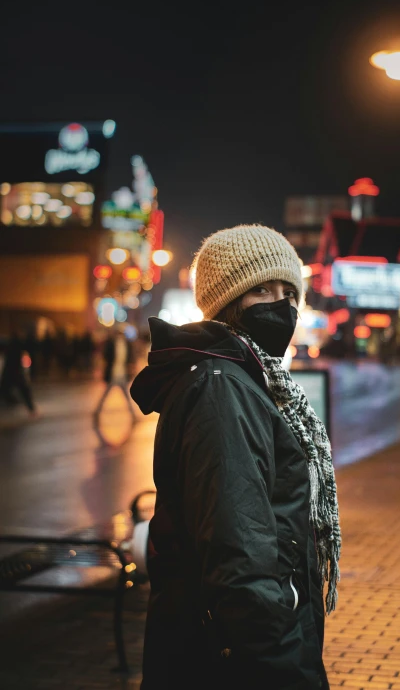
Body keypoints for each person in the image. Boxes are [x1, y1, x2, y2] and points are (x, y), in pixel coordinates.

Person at [130, 224, 341, 689]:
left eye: (290, 293)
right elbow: (240, 561)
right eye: (261, 289)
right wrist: (292, 673)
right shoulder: (223, 386)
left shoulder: (247, 380)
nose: (280, 305)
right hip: (230, 663)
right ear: (227, 300)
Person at [93, 327, 136, 421]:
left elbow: (130, 358)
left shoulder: (127, 345)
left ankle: (133, 415)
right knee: (105, 395)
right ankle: (97, 412)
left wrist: (131, 368)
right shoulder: (110, 344)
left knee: (126, 396)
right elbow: (105, 357)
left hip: (122, 375)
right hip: (112, 374)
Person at [0, 332, 39, 417]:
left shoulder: (10, 349)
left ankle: (22, 406)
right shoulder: (18, 349)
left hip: (11, 374)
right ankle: (30, 409)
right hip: (16, 374)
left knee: (6, 390)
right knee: (23, 391)